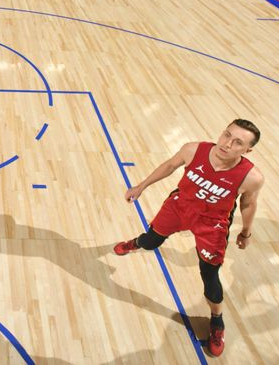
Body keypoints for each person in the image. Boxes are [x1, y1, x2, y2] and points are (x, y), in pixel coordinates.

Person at [113, 120, 265, 357]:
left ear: (247, 150)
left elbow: (248, 203)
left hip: (212, 223)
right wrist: (141, 186)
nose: (226, 143)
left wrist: (245, 233)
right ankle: (137, 242)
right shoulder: (194, 150)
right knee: (151, 241)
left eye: (238, 143)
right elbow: (171, 165)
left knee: (209, 273)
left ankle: (217, 321)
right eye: (226, 135)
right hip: (179, 207)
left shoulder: (251, 177)